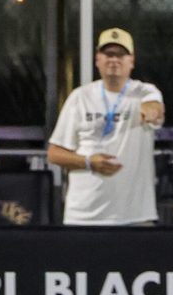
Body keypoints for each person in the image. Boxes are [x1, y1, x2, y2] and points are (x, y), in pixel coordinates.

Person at [47, 28, 165, 225]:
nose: (114, 59)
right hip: (83, 217)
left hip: (134, 217)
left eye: (121, 54)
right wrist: (88, 161)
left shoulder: (144, 91)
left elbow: (154, 107)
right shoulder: (79, 97)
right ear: (97, 59)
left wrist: (151, 111)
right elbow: (54, 153)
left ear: (131, 60)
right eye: (108, 54)